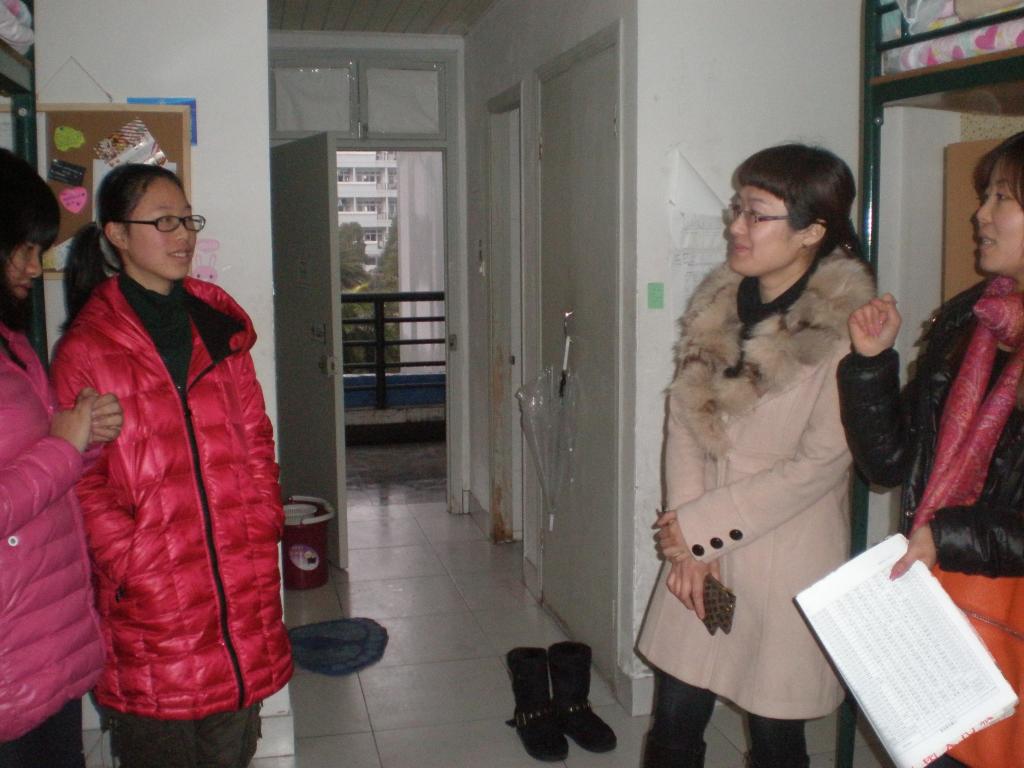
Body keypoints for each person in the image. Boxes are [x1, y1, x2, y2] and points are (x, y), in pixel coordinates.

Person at [636, 144, 875, 768]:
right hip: (699, 548)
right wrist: (689, 547)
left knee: (774, 737)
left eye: (757, 214)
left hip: (784, 552)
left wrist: (699, 530)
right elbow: (685, 420)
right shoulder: (717, 305)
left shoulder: (849, 330)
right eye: (737, 209)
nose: (736, 228)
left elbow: (821, 464)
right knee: (674, 722)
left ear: (811, 231)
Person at [50, 163, 292, 768]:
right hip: (153, 601)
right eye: (163, 222)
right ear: (117, 235)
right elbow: (79, 478)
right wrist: (133, 557)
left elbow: (254, 436)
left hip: (238, 584)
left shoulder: (219, 327)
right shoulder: (87, 349)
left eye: (187, 219)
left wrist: (262, 517)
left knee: (232, 747)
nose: (182, 234)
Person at [838, 131, 1024, 767]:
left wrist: (950, 534)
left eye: (1002, 198)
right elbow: (888, 464)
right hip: (943, 607)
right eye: (985, 195)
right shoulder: (970, 321)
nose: (980, 214)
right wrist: (871, 363)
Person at [0, 148, 122, 767]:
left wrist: (84, 436)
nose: (35, 264)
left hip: (45, 635)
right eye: (22, 248)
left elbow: (39, 462)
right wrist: (62, 446)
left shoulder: (13, 343)